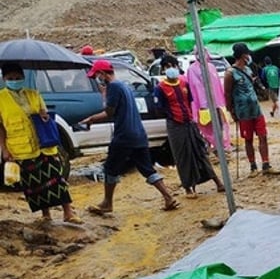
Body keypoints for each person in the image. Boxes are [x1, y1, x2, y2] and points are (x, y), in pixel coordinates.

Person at [81, 59, 179, 214]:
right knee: (146, 168)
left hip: (124, 135)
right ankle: (168, 197)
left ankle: (107, 203)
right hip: (138, 134)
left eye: (97, 75)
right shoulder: (123, 86)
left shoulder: (113, 87)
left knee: (110, 168)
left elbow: (109, 111)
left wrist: (91, 119)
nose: (96, 79)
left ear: (103, 74)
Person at [0, 63, 82, 224]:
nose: (14, 81)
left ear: (23, 78)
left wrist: (44, 116)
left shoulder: (34, 94)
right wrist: (4, 149)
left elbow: (45, 117)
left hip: (44, 146)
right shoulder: (0, 99)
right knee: (35, 184)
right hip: (20, 148)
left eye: (17, 78)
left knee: (56, 179)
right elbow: (1, 127)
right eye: (11, 78)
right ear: (4, 79)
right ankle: (46, 215)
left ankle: (68, 213)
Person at [153, 55, 225, 199]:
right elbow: (159, 108)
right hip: (175, 126)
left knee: (200, 151)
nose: (170, 69)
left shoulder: (184, 83)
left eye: (172, 65)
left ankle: (217, 182)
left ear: (176, 66)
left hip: (190, 122)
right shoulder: (160, 88)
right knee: (182, 156)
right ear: (163, 69)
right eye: (167, 67)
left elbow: (191, 101)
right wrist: (174, 117)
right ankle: (188, 188)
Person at [224, 42, 280, 177]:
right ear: (243, 55)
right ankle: (253, 167)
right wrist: (231, 111)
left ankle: (266, 164)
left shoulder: (249, 70)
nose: (249, 56)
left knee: (263, 136)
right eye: (247, 54)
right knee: (248, 139)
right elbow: (227, 94)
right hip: (243, 112)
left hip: (256, 109)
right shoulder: (230, 73)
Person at [186, 46, 232, 153]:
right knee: (206, 128)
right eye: (198, 52)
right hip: (203, 106)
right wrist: (201, 105)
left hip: (217, 104)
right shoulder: (192, 70)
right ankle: (212, 148)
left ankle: (221, 147)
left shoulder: (211, 67)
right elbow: (194, 88)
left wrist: (222, 101)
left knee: (220, 126)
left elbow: (217, 85)